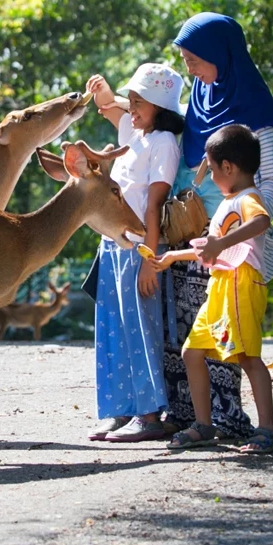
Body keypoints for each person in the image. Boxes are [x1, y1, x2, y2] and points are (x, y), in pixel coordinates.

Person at [160, 12, 273, 442]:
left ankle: (236, 420)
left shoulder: (254, 111)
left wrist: (233, 214)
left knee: (237, 349)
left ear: (221, 55)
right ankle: (198, 420)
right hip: (194, 237)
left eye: (195, 60)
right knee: (191, 343)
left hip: (234, 257)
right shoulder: (200, 98)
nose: (189, 69)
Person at [151, 125, 273, 454]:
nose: (209, 177)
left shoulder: (248, 199)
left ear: (228, 168)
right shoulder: (227, 202)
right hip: (219, 289)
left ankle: (267, 430)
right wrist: (172, 257)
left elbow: (261, 222)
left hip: (240, 286)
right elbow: (209, 249)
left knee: (249, 357)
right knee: (192, 353)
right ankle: (203, 425)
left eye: (210, 168)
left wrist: (221, 241)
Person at [83, 63, 184, 442]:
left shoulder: (163, 144)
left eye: (141, 101)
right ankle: (119, 409)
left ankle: (150, 415)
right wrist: (106, 93)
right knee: (112, 329)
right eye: (134, 99)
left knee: (142, 331)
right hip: (111, 245)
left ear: (161, 107)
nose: (133, 107)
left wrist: (149, 259)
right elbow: (112, 107)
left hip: (141, 247)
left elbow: (154, 206)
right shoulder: (133, 131)